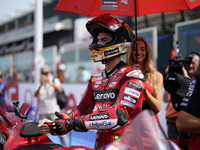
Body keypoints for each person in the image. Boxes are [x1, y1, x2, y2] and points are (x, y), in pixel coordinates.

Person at [38, 13, 147, 149]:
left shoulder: (133, 75)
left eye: (104, 40)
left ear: (118, 43)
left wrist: (73, 123)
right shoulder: (96, 78)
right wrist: (55, 123)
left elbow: (120, 116)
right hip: (100, 144)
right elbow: (82, 109)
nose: (97, 44)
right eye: (98, 39)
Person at [125, 36, 163, 118]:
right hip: (129, 122)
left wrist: (143, 88)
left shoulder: (157, 76)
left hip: (149, 123)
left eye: (142, 49)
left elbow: (158, 107)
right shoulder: (124, 74)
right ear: (130, 52)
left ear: (147, 52)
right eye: (135, 49)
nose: (138, 52)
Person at [34, 65, 67, 147]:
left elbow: (60, 89)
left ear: (49, 73)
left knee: (61, 130)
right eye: (42, 73)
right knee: (42, 133)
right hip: (43, 111)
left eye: (46, 73)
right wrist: (41, 85)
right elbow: (35, 95)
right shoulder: (38, 82)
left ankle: (66, 147)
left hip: (54, 110)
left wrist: (50, 82)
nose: (44, 74)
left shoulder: (54, 80)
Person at [176, 51, 200, 150]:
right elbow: (182, 122)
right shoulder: (197, 81)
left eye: (193, 63)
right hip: (173, 121)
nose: (190, 66)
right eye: (188, 63)